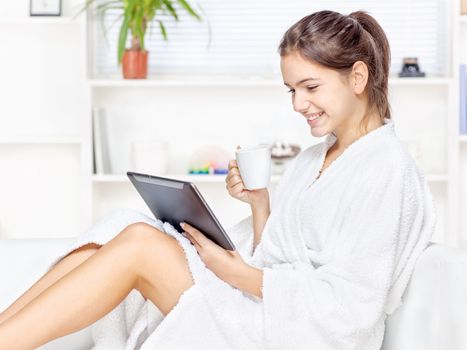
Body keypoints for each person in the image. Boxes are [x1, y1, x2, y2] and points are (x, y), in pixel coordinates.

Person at [0, 9, 435, 350]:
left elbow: (350, 313)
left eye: (311, 87)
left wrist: (237, 276)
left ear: (357, 76)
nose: (299, 104)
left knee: (140, 243)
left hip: (295, 337)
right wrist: (261, 205)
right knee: (119, 230)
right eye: (291, 90)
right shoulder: (314, 159)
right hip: (264, 309)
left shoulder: (387, 169)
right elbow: (278, 259)